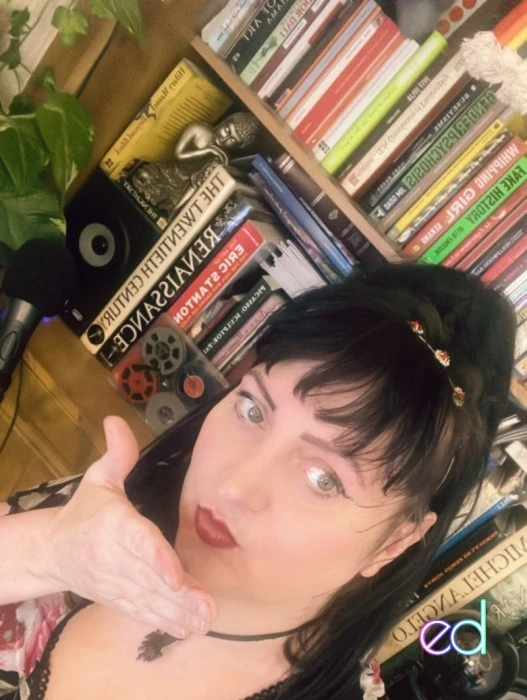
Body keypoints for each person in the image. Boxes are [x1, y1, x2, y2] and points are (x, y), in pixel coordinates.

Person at [0, 262, 516, 699]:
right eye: (252, 410)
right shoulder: (115, 505)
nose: (233, 488)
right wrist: (48, 550)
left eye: (323, 478)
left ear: (394, 542)